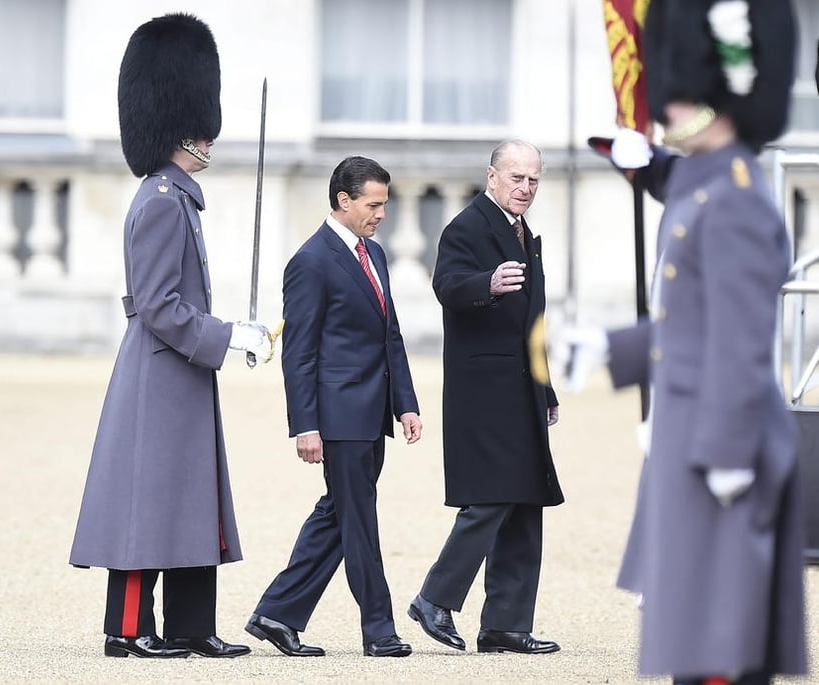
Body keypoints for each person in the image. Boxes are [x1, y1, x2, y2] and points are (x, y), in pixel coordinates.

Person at [562, 0, 807, 683]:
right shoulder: (706, 180)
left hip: (720, 458)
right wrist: (613, 350)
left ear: (720, 96)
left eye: (679, 95)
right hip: (695, 445)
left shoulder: (733, 196)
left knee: (720, 657)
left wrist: (726, 456)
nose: (667, 108)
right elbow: (690, 324)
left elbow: (737, 342)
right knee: (696, 653)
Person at [69, 13, 271, 659]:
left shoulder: (176, 197)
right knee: (148, 500)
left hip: (180, 369)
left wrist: (221, 336)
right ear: (185, 129)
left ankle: (190, 625)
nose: (210, 139)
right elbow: (159, 304)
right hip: (160, 369)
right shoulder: (161, 199)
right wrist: (228, 334)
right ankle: (126, 629)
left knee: (190, 496)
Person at [244, 156, 422, 658]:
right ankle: (380, 630)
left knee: (339, 516)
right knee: (359, 519)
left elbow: (391, 334)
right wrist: (305, 426)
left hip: (372, 412)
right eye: (374, 204)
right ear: (343, 201)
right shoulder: (311, 260)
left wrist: (405, 404)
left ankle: (276, 614)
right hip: (338, 417)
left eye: (384, 203)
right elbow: (299, 352)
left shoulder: (376, 254)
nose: (382, 213)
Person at [407, 140, 563, 655]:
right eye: (516, 177)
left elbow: (533, 323)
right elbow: (446, 286)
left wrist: (546, 387)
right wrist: (488, 283)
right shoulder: (467, 227)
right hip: (484, 390)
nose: (525, 188)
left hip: (520, 387)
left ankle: (505, 626)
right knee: (493, 496)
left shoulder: (525, 234)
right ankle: (434, 597)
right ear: (492, 176)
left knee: (525, 499)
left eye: (533, 180)